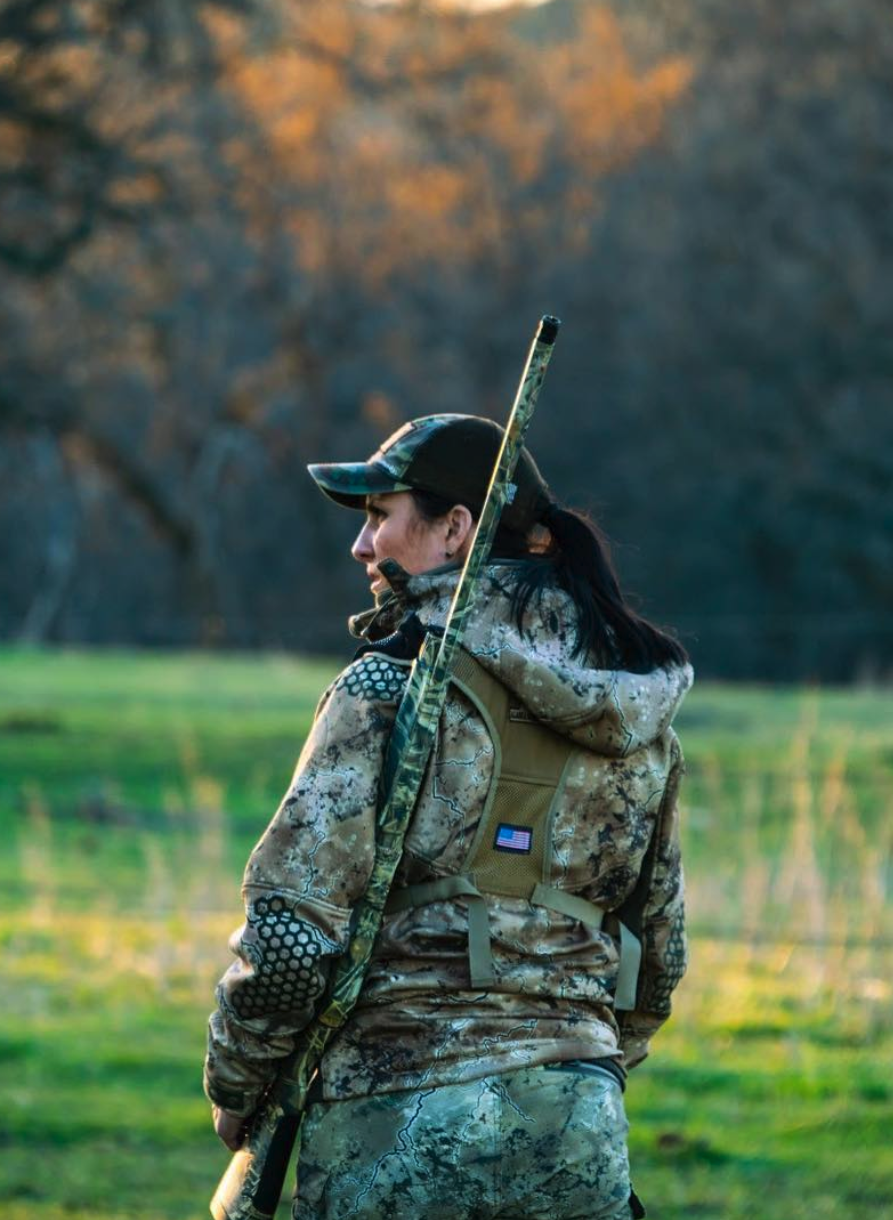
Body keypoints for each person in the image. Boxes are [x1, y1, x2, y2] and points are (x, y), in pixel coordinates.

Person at [204, 414, 692, 1219]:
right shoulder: (641, 713)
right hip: (578, 1124)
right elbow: (659, 955)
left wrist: (239, 1082)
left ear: (455, 529)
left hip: (394, 1117)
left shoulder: (389, 687)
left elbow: (290, 936)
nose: (362, 547)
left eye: (378, 516)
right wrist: (577, 1062)